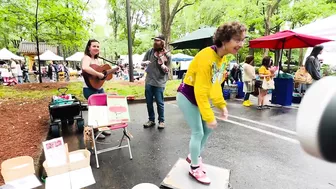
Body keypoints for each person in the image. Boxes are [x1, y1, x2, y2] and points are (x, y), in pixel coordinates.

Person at [176, 21, 246, 184]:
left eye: (243, 40)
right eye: (237, 40)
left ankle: (192, 157)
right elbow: (200, 91)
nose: (241, 44)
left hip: (198, 96)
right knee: (198, 132)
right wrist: (209, 115)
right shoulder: (206, 57)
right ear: (224, 40)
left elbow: (214, 86)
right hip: (187, 96)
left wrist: (222, 106)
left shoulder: (221, 59)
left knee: (208, 129)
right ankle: (194, 167)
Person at [81, 39, 119, 139]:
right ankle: (95, 130)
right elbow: (85, 68)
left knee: (102, 108)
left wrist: (109, 73)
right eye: (94, 46)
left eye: (98, 46)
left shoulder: (98, 60)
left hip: (98, 87)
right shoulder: (86, 58)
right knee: (94, 110)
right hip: (89, 88)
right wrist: (98, 74)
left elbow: (103, 75)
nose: (96, 48)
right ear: (89, 47)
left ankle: (101, 127)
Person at [141, 34, 171, 129]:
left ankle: (161, 121)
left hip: (159, 82)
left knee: (159, 102)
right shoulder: (150, 51)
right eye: (154, 40)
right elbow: (142, 62)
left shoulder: (167, 55)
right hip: (149, 80)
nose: (155, 42)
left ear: (162, 42)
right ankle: (151, 120)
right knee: (149, 102)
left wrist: (164, 66)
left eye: (157, 40)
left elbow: (168, 70)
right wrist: (144, 63)